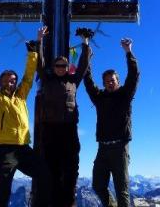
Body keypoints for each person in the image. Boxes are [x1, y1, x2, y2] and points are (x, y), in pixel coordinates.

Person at [0, 29, 49, 207]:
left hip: (23, 149)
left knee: (45, 174)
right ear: (0, 82)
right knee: (3, 191)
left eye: (12, 80)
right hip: (2, 150)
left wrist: (33, 52)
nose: (9, 82)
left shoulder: (20, 96)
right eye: (5, 79)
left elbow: (28, 77)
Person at [36, 26, 91, 207]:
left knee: (71, 169)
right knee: (51, 169)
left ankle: (69, 203)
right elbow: (40, 63)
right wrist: (40, 41)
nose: (61, 68)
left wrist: (85, 43)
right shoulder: (47, 79)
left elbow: (83, 64)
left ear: (68, 68)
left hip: (69, 129)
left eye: (64, 66)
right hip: (50, 130)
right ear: (54, 67)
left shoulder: (73, 81)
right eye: (58, 65)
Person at [83, 38, 140, 207]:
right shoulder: (99, 98)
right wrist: (87, 57)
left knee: (121, 188)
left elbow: (134, 76)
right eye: (107, 80)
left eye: (112, 80)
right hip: (103, 148)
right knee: (98, 185)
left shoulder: (125, 95)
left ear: (118, 81)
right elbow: (88, 82)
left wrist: (128, 52)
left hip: (120, 147)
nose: (109, 82)